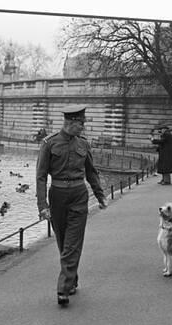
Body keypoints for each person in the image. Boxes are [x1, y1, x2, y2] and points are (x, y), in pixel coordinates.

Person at [36, 104, 108, 306]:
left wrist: (100, 195)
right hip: (57, 196)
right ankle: (72, 278)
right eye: (80, 124)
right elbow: (41, 177)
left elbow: (91, 172)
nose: (83, 128)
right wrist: (43, 205)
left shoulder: (83, 144)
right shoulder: (49, 144)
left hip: (78, 195)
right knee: (63, 242)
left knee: (72, 242)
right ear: (70, 123)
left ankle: (63, 289)